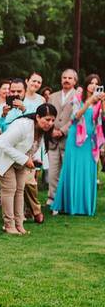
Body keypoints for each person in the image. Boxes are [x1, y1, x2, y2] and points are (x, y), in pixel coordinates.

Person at [0, 104, 57, 235]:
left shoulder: (42, 131)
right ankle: (9, 226)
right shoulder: (23, 125)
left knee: (20, 190)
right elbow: (3, 145)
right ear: (37, 117)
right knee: (10, 189)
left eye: (53, 120)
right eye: (47, 119)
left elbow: (30, 147)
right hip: (3, 158)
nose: (50, 123)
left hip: (18, 161)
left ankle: (19, 225)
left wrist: (34, 159)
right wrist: (25, 160)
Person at [52, 76, 103, 217]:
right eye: (91, 83)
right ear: (86, 84)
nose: (93, 86)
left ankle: (85, 207)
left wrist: (102, 102)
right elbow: (75, 117)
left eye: (96, 84)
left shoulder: (99, 102)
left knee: (87, 170)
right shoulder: (77, 97)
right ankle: (67, 205)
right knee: (71, 169)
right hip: (76, 137)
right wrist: (88, 102)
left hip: (91, 140)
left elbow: (103, 118)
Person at [45, 69, 79, 208]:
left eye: (70, 78)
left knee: (67, 172)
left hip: (69, 139)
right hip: (53, 139)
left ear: (75, 81)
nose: (66, 80)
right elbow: (48, 113)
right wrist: (52, 130)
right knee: (53, 173)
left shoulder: (78, 96)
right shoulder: (53, 96)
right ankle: (52, 198)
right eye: (64, 77)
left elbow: (77, 118)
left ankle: (66, 200)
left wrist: (63, 131)